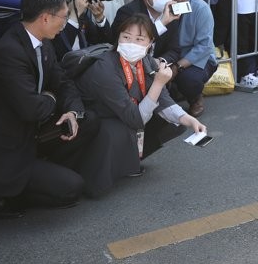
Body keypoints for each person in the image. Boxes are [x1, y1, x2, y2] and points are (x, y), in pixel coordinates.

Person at [0, 0, 100, 219]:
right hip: (10, 145)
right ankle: (4, 195)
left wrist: (72, 111)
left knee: (86, 120)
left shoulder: (42, 39)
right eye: (64, 16)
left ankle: (46, 171)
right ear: (45, 18)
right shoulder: (9, 51)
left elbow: (63, 82)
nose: (65, 22)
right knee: (71, 189)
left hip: (33, 131)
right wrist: (50, 96)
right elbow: (33, 108)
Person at [73, 14, 206, 196]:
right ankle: (96, 180)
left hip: (125, 112)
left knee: (176, 122)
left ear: (150, 43)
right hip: (98, 117)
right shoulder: (105, 69)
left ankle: (128, 161)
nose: (131, 44)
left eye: (139, 39)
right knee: (119, 129)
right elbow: (136, 119)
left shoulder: (145, 60)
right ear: (118, 38)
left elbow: (164, 100)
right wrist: (159, 83)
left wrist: (190, 121)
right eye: (126, 37)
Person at [161, 0, 217, 118]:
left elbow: (204, 47)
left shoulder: (201, 8)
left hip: (198, 57)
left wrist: (177, 67)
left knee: (189, 80)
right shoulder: (161, 7)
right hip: (170, 54)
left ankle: (195, 98)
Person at [49, 0, 113, 59]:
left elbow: (103, 43)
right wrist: (74, 16)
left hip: (83, 65)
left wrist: (99, 18)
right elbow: (61, 51)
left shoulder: (82, 17)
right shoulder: (50, 19)